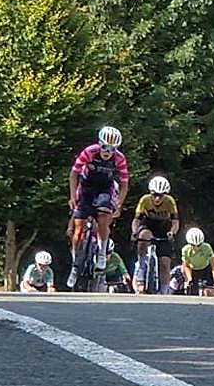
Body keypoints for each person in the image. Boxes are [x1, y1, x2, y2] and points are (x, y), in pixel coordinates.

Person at [67, 126, 129, 289]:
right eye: (105, 147)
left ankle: (101, 252)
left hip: (104, 189)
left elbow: (124, 184)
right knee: (78, 228)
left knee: (104, 218)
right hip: (86, 188)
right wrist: (73, 196)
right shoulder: (89, 152)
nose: (107, 151)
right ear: (99, 144)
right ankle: (75, 260)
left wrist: (119, 204)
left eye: (112, 149)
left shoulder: (119, 159)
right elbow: (74, 174)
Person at [131, 175, 180, 294]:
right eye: (154, 195)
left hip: (164, 227)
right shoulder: (145, 200)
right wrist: (135, 232)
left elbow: (175, 221)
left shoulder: (170, 201)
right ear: (150, 193)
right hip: (148, 224)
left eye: (161, 195)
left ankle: (164, 290)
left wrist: (172, 232)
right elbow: (136, 220)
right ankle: (142, 264)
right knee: (144, 236)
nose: (157, 199)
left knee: (164, 263)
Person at [180, 227, 214, 296]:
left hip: (206, 269)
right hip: (192, 270)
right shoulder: (185, 250)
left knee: (209, 292)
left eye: (199, 245)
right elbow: (186, 266)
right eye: (193, 245)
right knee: (192, 290)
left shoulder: (207, 248)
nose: (196, 248)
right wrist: (189, 279)